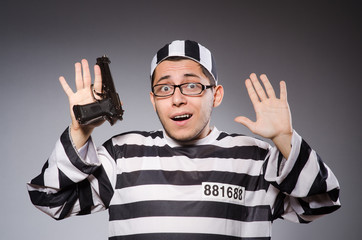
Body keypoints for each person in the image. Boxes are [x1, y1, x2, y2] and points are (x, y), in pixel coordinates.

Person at [27, 40, 341, 240]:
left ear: (215, 95)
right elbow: (49, 199)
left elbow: (321, 203)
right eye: (165, 88)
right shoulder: (123, 155)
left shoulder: (255, 157)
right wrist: (80, 132)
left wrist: (286, 140)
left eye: (191, 86)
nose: (177, 99)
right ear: (153, 99)